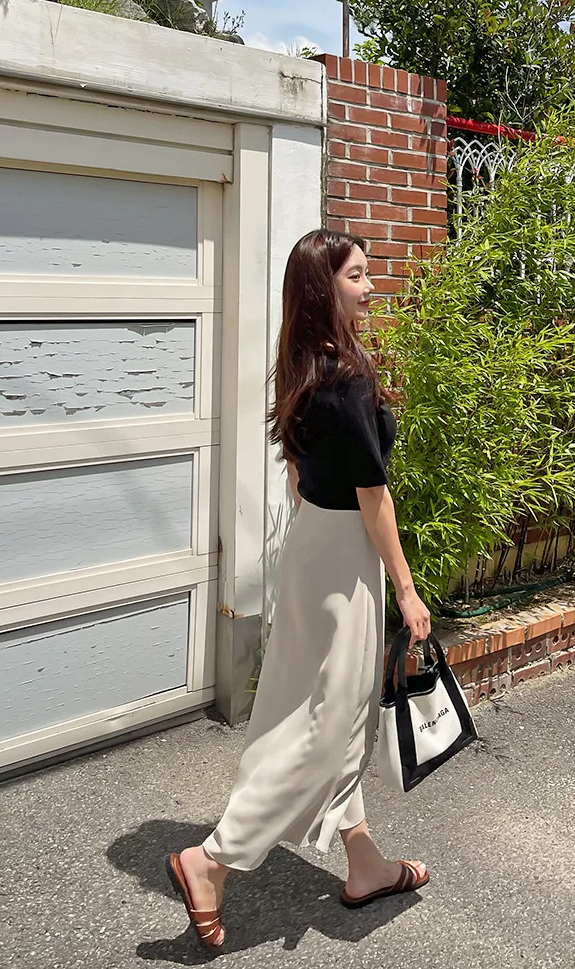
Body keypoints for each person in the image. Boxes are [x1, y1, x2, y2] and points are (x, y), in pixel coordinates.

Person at [166, 229, 433, 950]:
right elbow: (374, 496)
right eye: (357, 275)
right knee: (329, 723)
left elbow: (296, 472)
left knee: (317, 708)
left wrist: (323, 534)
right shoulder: (346, 378)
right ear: (324, 286)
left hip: (313, 544)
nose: (371, 287)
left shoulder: (303, 365)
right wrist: (406, 590)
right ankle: (213, 859)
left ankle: (365, 864)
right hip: (344, 556)